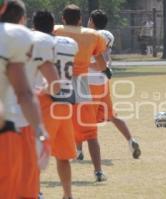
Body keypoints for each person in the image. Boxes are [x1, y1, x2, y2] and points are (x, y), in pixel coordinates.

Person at [1, 1, 58, 198]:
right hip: (12, 125)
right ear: (22, 18)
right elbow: (24, 93)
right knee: (20, 189)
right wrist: (40, 132)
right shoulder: (20, 37)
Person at [75, 9, 141, 161]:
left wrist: (82, 66)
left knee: (79, 117)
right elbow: (105, 61)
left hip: (89, 83)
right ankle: (131, 140)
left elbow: (98, 63)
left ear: (91, 20)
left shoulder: (90, 36)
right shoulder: (107, 35)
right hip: (103, 82)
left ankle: (79, 151)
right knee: (111, 115)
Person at [54, 4, 108, 182]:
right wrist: (107, 71)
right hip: (81, 87)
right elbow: (101, 64)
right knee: (90, 133)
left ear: (63, 18)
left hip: (59, 85)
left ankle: (37, 174)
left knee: (50, 130)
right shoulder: (92, 35)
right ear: (80, 19)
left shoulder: (55, 31)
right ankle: (98, 171)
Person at [33, 11, 79, 199]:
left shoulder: (37, 42)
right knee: (63, 155)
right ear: (53, 26)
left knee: (33, 153)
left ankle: (35, 192)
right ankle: (67, 195)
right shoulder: (69, 43)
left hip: (45, 99)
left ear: (34, 26)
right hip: (65, 102)